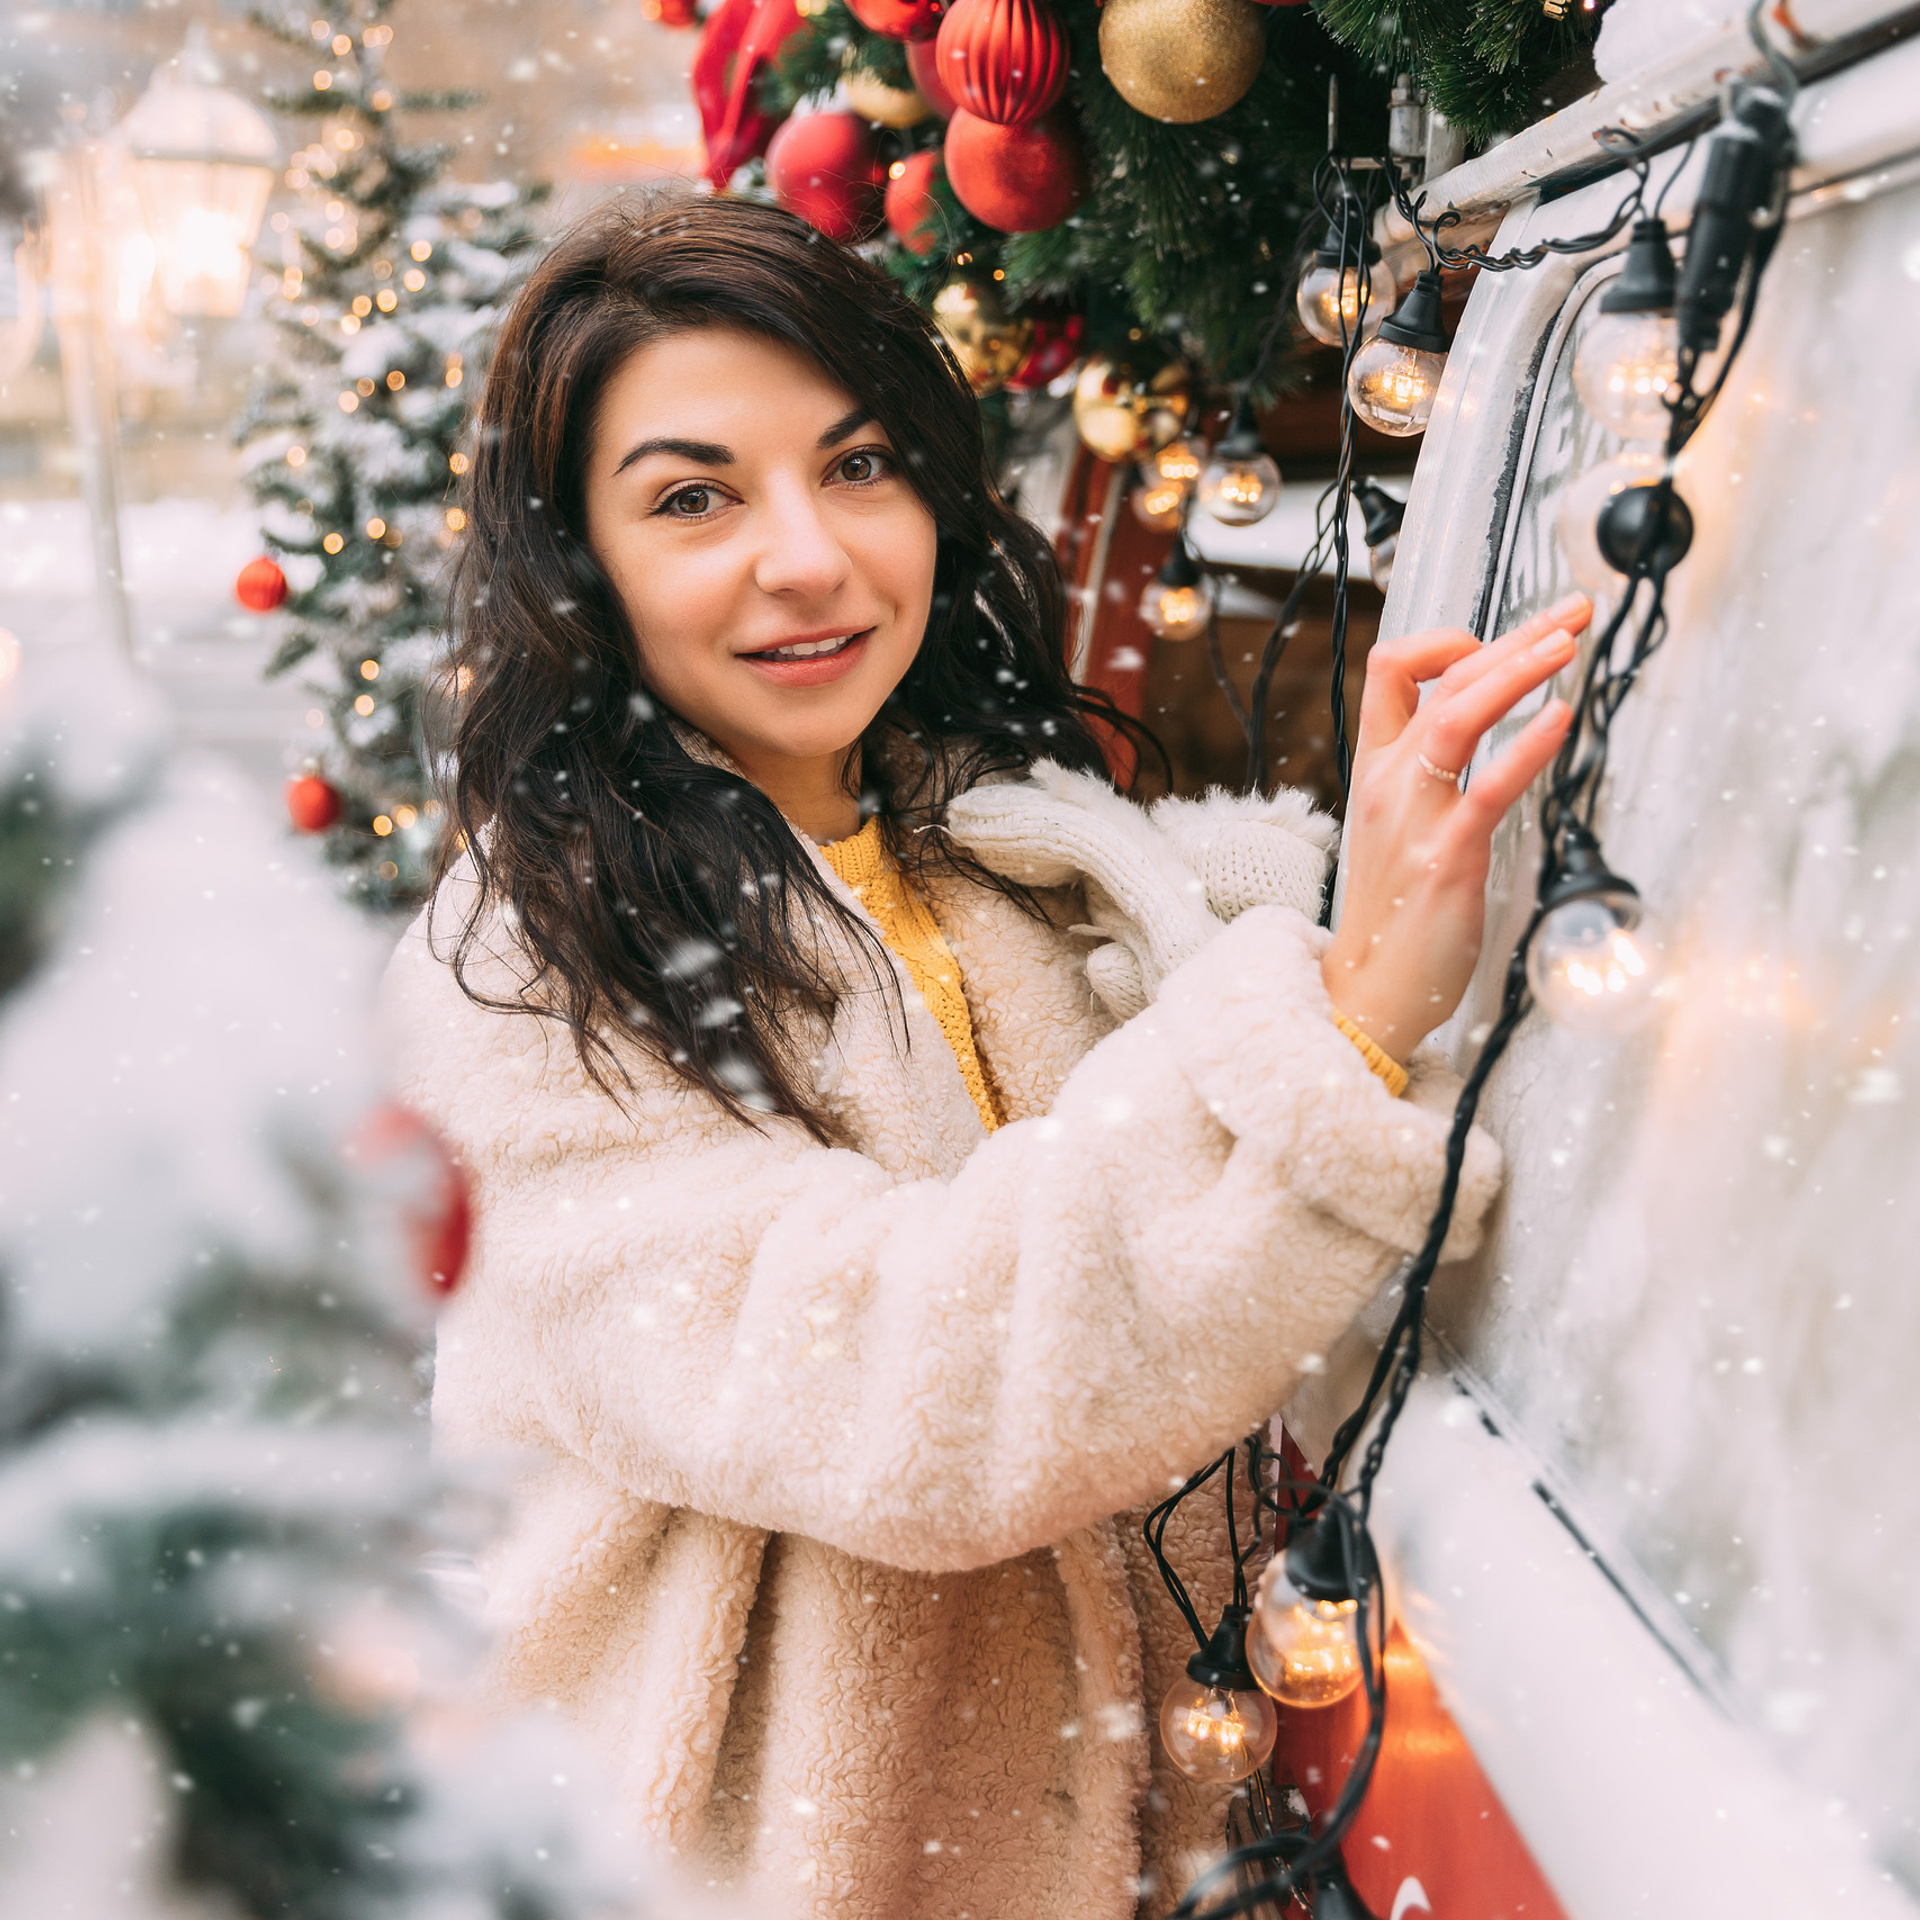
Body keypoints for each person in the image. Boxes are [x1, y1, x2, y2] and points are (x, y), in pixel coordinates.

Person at [381, 198, 1588, 1920]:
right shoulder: (526, 981)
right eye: (695, 498)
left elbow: (1206, 1071)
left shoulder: (1007, 852)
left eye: (859, 465)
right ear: (575, 562)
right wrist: (1339, 1023)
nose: (811, 558)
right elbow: (909, 1389)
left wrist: (1402, 893)